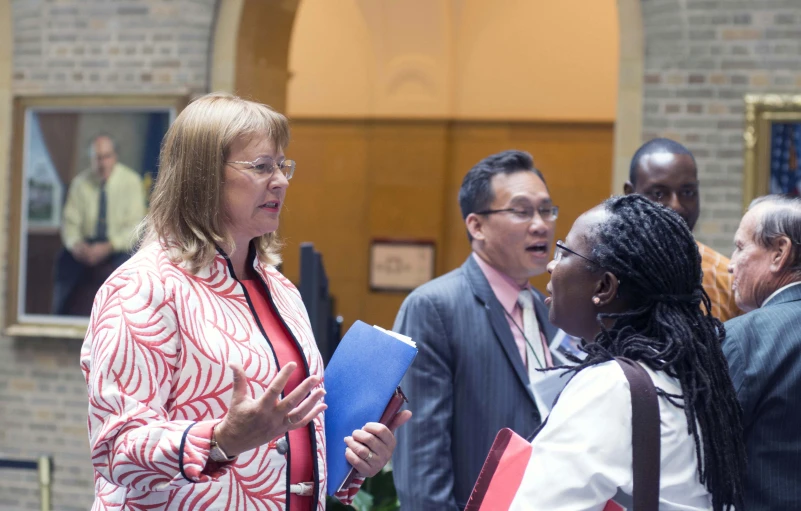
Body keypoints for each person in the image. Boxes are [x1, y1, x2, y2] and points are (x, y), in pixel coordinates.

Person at [80, 92, 410, 511]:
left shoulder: (281, 289)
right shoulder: (142, 287)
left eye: (282, 165)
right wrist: (221, 441)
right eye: (261, 167)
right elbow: (115, 450)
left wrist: (356, 463)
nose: (281, 180)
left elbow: (294, 459)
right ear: (203, 177)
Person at [513, 194, 746, 510]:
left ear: (604, 287)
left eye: (564, 252)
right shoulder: (691, 376)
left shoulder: (610, 386)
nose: (552, 265)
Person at [392, 150, 560, 511]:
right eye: (521, 210)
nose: (540, 224)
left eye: (547, 210)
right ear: (476, 226)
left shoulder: (551, 311)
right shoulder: (434, 307)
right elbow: (421, 459)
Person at [723, 194, 801, 510]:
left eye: (740, 248)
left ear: (779, 252)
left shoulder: (744, 338)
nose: (729, 264)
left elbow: (704, 451)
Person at [625, 138, 741, 321]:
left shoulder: (728, 280)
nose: (676, 206)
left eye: (687, 193)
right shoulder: (601, 274)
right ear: (630, 194)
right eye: (659, 193)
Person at [53, 134, 146, 315]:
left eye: (107, 156)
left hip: (118, 247)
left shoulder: (131, 181)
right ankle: (60, 317)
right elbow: (70, 224)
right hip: (86, 246)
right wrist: (76, 245)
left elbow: (135, 227)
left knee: (132, 265)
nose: (102, 163)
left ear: (115, 157)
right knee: (63, 262)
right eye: (98, 158)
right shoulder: (80, 184)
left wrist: (108, 246)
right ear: (91, 159)